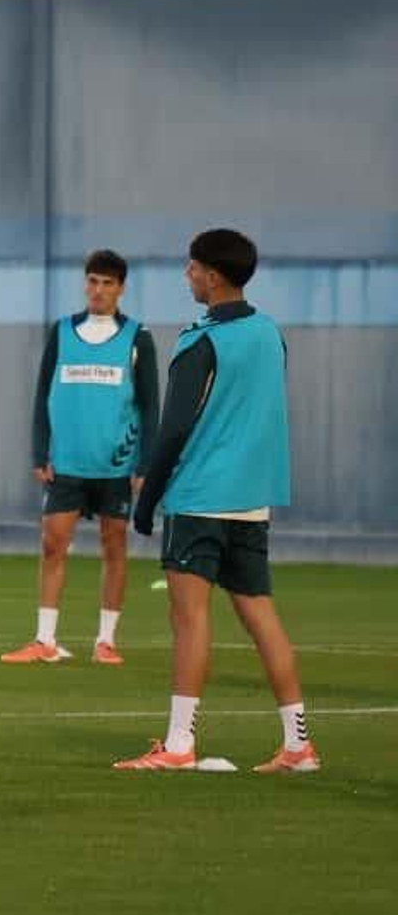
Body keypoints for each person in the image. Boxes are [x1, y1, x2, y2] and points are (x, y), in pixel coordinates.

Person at [114, 228, 315, 772]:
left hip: (201, 496)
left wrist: (147, 498)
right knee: (260, 615)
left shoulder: (199, 340)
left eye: (193, 267)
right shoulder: (270, 333)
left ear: (214, 275)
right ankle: (297, 744)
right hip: (252, 499)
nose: (187, 275)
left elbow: (173, 429)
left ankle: (179, 745)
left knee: (189, 619)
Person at [4, 250, 159, 665]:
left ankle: (105, 640)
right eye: (93, 280)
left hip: (115, 466)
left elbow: (151, 407)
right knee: (52, 544)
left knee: (114, 547)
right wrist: (40, 450)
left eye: (108, 283)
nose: (99, 290)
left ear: (121, 288)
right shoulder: (62, 332)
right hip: (66, 463)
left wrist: (145, 464)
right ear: (84, 283)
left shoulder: (138, 338)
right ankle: (44, 639)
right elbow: (42, 394)